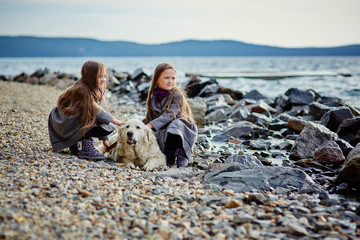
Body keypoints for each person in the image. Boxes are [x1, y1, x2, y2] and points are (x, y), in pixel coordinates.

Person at [48, 60, 124, 160]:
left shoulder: (94, 88)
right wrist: (116, 121)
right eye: (100, 77)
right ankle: (86, 148)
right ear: (90, 77)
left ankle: (75, 146)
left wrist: (104, 139)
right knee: (89, 115)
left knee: (89, 115)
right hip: (63, 120)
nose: (104, 80)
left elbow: (97, 114)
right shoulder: (82, 90)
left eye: (105, 76)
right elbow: (96, 111)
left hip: (71, 119)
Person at [143, 63, 198, 168]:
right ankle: (170, 153)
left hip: (182, 129)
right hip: (164, 129)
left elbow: (170, 115)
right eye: (166, 78)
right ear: (157, 79)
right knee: (154, 132)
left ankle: (182, 154)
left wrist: (150, 125)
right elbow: (149, 118)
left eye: (173, 78)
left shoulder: (177, 95)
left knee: (174, 125)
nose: (170, 81)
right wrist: (139, 125)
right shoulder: (152, 98)